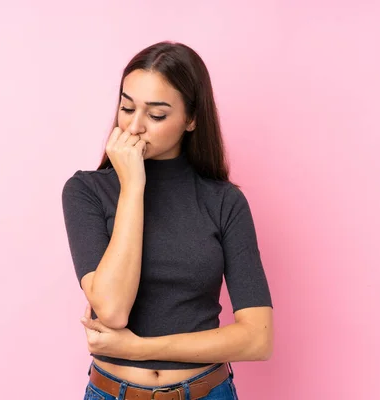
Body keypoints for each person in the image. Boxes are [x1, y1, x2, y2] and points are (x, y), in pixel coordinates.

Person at [62, 41, 274, 400]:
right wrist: (132, 187)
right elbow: (111, 310)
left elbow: (258, 338)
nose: (134, 126)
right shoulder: (86, 191)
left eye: (156, 115)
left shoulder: (224, 201)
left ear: (191, 119)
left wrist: (139, 349)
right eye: (127, 107)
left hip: (207, 392)